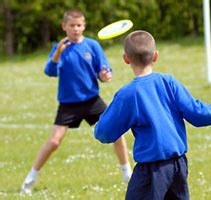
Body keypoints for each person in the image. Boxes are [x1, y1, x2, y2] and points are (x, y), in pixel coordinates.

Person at [94, 30, 211, 200]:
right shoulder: (169, 82)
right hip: (178, 165)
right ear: (155, 56)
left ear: (126, 59)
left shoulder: (128, 94)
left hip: (151, 170)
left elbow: (104, 133)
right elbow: (197, 113)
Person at [21, 9, 132, 194]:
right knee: (54, 141)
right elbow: (49, 71)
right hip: (68, 104)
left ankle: (126, 172)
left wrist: (105, 75)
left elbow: (103, 72)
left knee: (116, 131)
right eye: (71, 25)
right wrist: (57, 54)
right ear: (63, 26)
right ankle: (30, 178)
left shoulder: (92, 46)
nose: (75, 29)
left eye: (79, 25)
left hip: (91, 101)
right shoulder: (59, 48)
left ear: (84, 26)